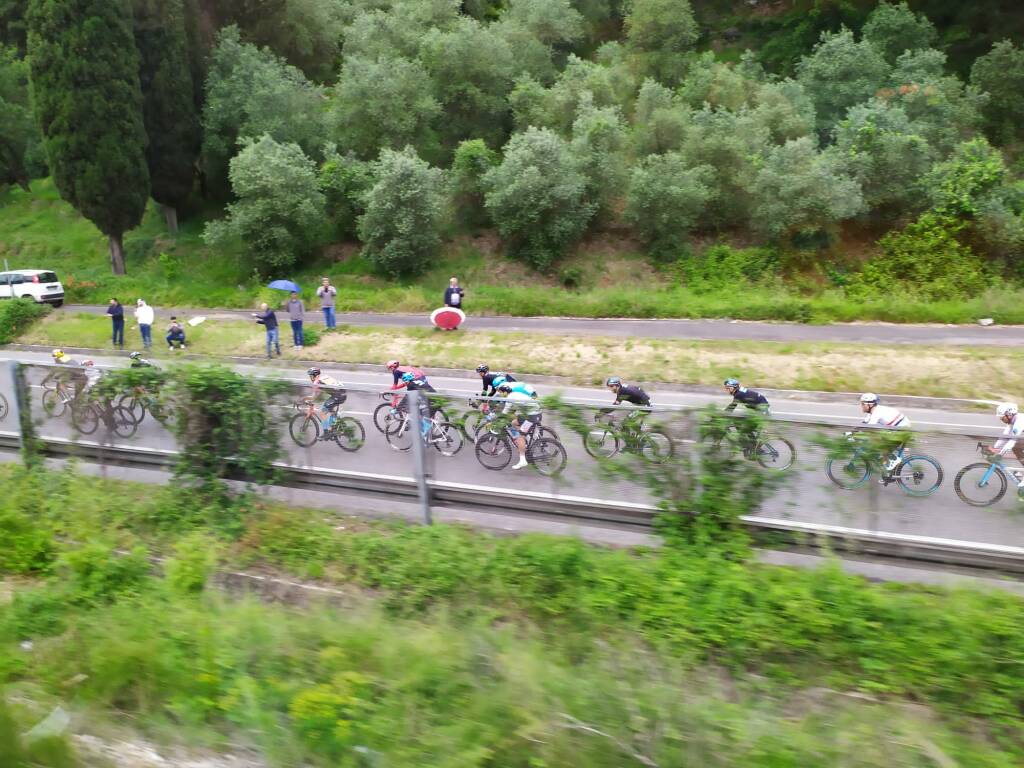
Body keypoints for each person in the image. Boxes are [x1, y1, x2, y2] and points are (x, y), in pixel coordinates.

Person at [858, 393, 910, 472]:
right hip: (898, 429)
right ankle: (888, 467)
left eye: (862, 404)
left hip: (902, 430)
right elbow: (863, 424)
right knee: (878, 440)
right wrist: (851, 432)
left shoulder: (876, 413)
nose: (861, 406)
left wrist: (857, 435)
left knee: (880, 443)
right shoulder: (873, 412)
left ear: (869, 405)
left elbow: (869, 428)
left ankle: (894, 461)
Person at [497, 381, 541, 470]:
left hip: (532, 416)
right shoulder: (514, 394)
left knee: (520, 437)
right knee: (514, 422)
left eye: (501, 393)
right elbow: (512, 410)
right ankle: (527, 436)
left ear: (505, 392)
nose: (501, 395)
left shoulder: (510, 398)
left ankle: (522, 460)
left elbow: (505, 413)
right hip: (533, 413)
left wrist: (495, 419)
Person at [984, 403, 1024, 495]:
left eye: (1002, 417)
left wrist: (1000, 454)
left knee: (1016, 444)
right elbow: (1004, 437)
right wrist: (994, 448)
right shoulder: (1011, 422)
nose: (1001, 419)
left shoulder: (1019, 421)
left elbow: (1012, 440)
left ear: (1009, 414)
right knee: (1016, 447)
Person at [398, 370, 439, 436]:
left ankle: (428, 434)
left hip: (433, 401)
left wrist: (398, 407)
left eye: (405, 381)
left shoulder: (411, 385)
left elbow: (406, 397)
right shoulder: (416, 382)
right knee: (420, 410)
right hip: (435, 398)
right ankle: (428, 429)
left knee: (423, 416)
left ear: (408, 380)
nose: (404, 383)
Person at [307, 367, 347, 431]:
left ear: (314, 376)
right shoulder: (324, 377)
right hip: (342, 394)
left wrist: (308, 401)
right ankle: (333, 426)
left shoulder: (316, 382)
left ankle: (326, 432)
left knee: (323, 412)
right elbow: (320, 395)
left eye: (311, 376)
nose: (310, 378)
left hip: (338, 396)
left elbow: (315, 396)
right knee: (329, 407)